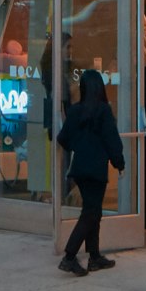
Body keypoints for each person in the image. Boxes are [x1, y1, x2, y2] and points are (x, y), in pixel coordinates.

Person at [55, 69, 122, 276]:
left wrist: (78, 146)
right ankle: (69, 256)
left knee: (94, 211)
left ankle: (94, 256)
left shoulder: (75, 111)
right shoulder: (103, 111)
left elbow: (62, 138)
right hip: (96, 169)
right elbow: (112, 140)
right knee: (91, 213)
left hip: (80, 169)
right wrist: (119, 162)